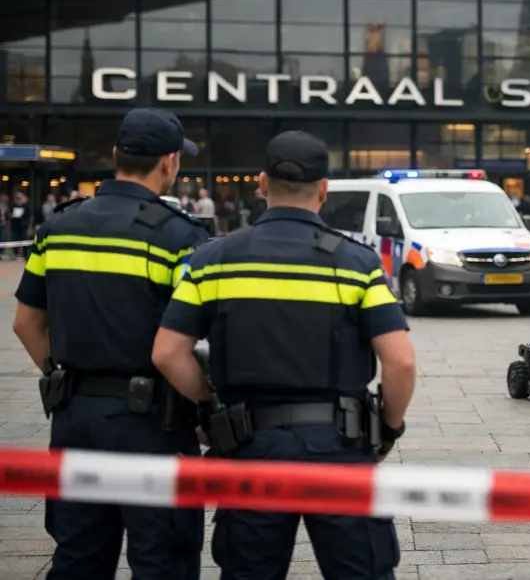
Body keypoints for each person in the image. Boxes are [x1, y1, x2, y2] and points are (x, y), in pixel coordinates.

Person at [152, 130, 417, 580]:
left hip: (250, 446)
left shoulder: (215, 259)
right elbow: (401, 361)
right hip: (340, 448)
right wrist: (388, 428)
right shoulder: (356, 264)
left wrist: (208, 402)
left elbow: (166, 353)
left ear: (260, 184)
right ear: (324, 190)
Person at [10, 107, 209, 579]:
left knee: (78, 557)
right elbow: (188, 338)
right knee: (163, 561)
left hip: (75, 419)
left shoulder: (57, 227)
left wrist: (62, 375)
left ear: (117, 155)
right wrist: (201, 397)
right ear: (169, 162)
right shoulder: (180, 237)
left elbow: (25, 322)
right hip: (152, 425)